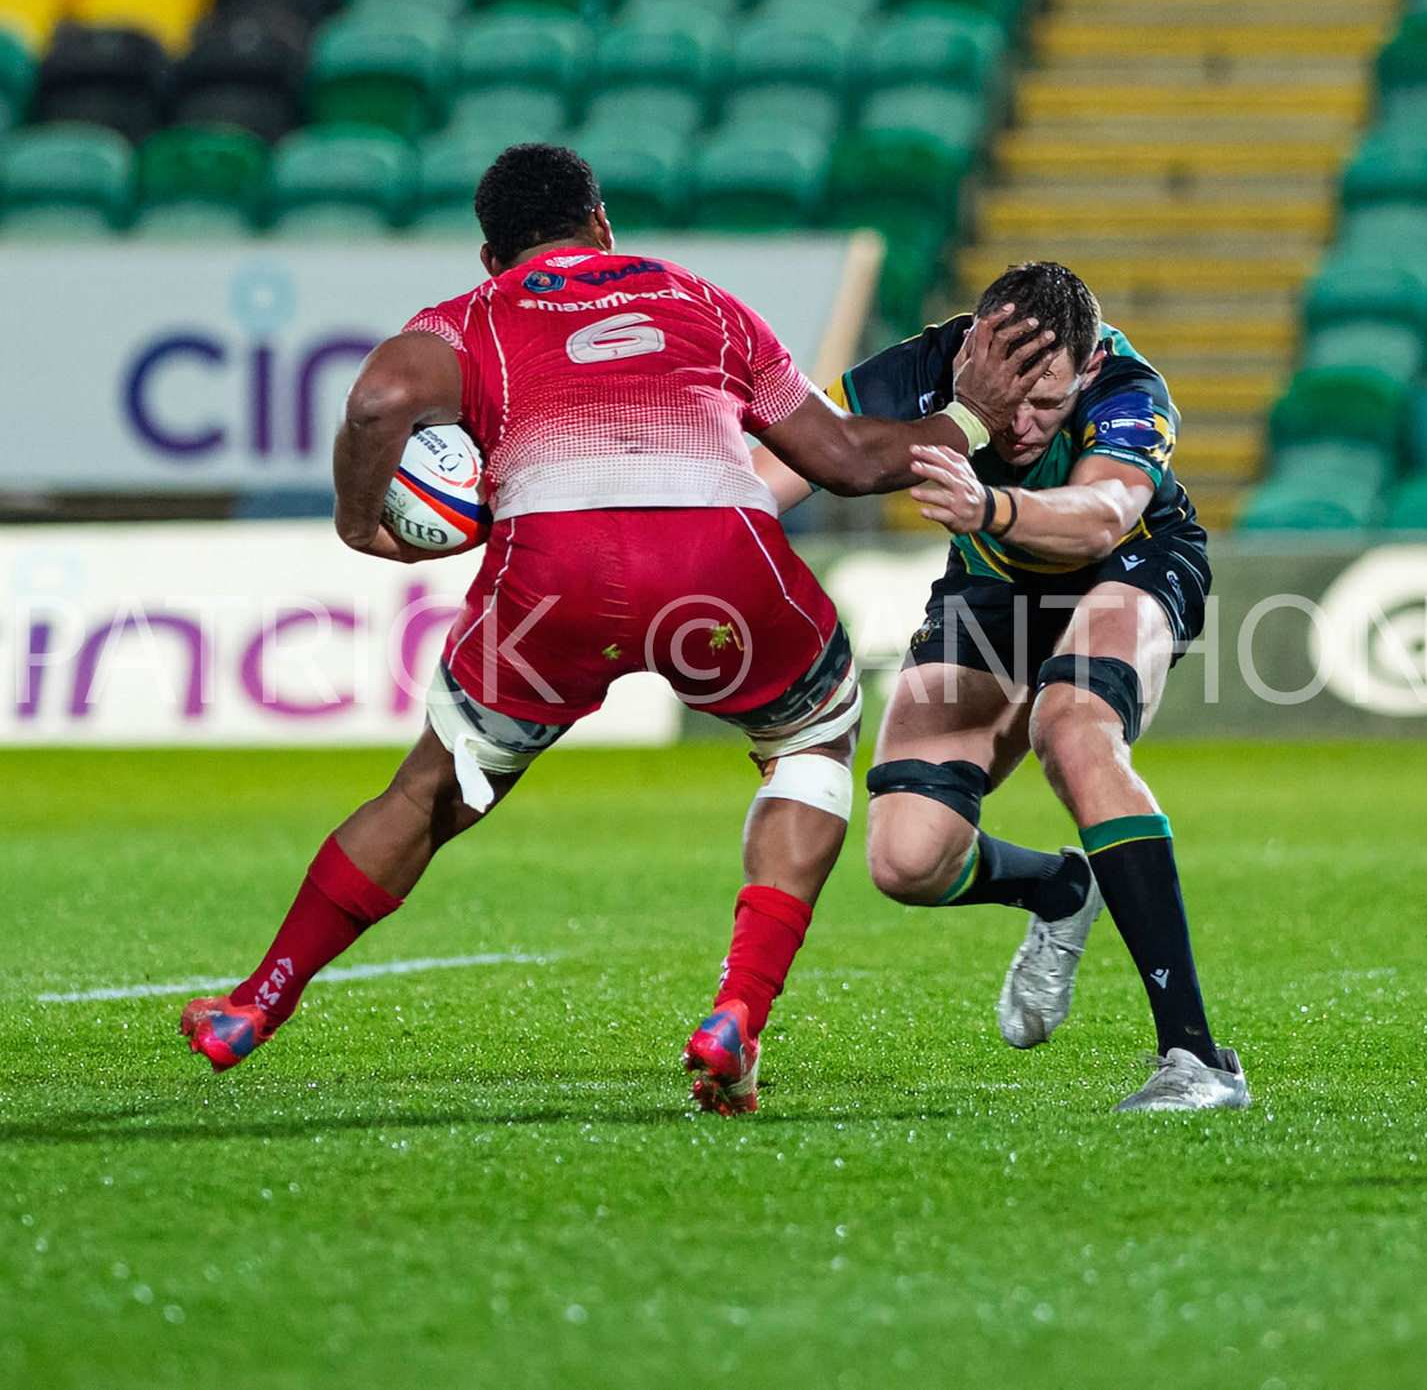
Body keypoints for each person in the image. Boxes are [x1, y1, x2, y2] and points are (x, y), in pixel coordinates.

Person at [178, 144, 1053, 1115]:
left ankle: (255, 1003)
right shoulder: (705, 304)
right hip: (717, 568)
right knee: (811, 738)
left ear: (488, 255)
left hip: (554, 580)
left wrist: (359, 523)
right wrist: (968, 420)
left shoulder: (469, 321)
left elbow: (378, 401)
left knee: (433, 790)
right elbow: (845, 459)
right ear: (601, 224)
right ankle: (737, 1013)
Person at [756, 261, 1249, 1112]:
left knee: (1072, 725)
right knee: (907, 858)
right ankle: (1058, 886)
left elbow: (1101, 515)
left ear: (1088, 371)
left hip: (1129, 564)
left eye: (1047, 405)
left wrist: (990, 507)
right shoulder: (920, 368)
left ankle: (1196, 1059)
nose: (1021, 425)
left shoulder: (1131, 388)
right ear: (974, 349)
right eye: (1006, 397)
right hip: (993, 586)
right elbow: (769, 479)